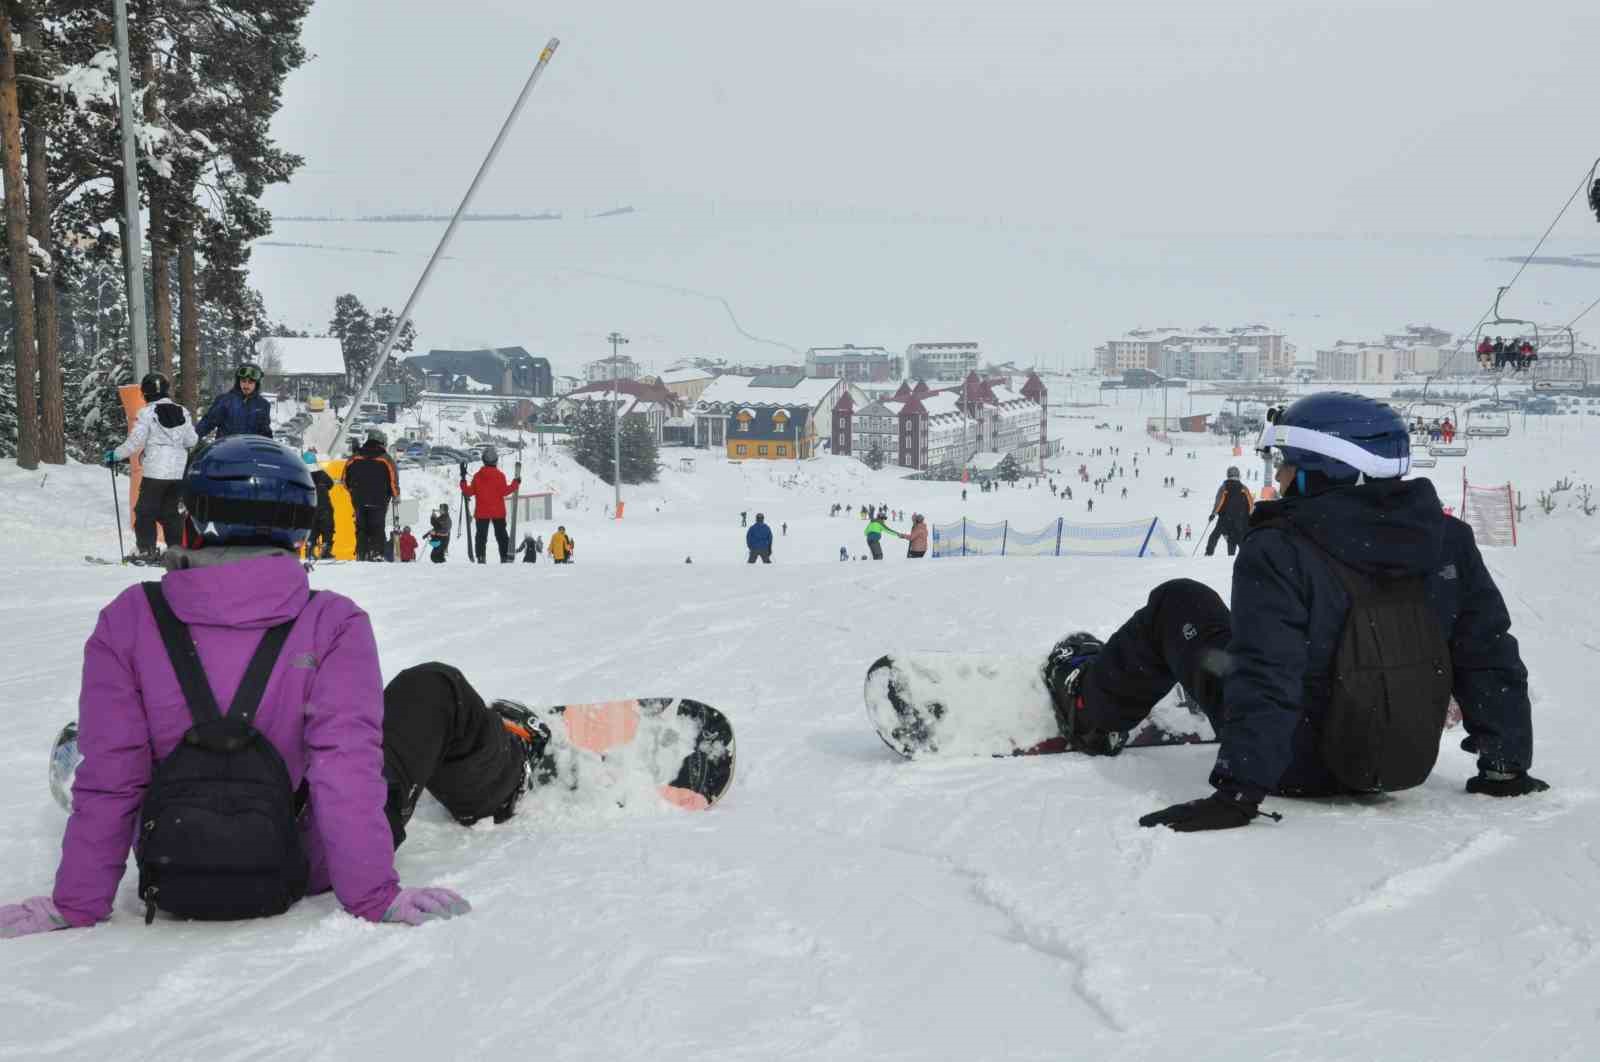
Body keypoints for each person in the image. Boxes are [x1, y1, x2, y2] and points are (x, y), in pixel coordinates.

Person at [0, 437, 478, 938]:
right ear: (299, 528)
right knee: (432, 688)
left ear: (194, 517)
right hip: (295, 861)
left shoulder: (128, 620)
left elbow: (112, 775)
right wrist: (374, 896)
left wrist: (75, 903)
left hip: (176, 857)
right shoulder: (334, 622)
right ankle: (513, 762)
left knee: (99, 740)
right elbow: (346, 768)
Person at [1039, 392, 1544, 834]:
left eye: (1286, 461)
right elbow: (1486, 653)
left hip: (1296, 766)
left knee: (1181, 600)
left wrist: (1239, 792)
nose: (1278, 475)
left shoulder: (1281, 547)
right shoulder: (1446, 539)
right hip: (1403, 757)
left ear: (1323, 470)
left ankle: (1091, 710)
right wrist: (1506, 765)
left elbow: (1266, 671)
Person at [104, 372, 197, 563]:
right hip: (178, 471)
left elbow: (135, 442)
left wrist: (116, 454)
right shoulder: (183, 411)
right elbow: (192, 439)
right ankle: (176, 552)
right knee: (170, 513)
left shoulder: (147, 413)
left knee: (145, 511)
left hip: (156, 469)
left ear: (145, 392)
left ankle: (146, 551)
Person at [343, 428, 399, 562]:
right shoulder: (386, 459)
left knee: (361, 527)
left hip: (359, 499)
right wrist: (396, 495)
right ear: (381, 442)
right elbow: (393, 479)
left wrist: (353, 490)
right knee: (377, 526)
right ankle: (376, 553)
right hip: (379, 500)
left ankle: (361, 553)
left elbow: (345, 479)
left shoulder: (354, 457)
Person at [460, 447, 520, 564]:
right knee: (501, 536)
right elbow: (505, 491)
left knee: (481, 537)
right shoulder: (500, 476)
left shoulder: (478, 476)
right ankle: (504, 556)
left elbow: (468, 492)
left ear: (483, 460)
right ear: (496, 460)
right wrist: (515, 483)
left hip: (482, 512)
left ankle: (481, 557)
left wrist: (463, 480)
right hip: (498, 512)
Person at [195, 363, 272, 441]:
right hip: (227, 450)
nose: (246, 385)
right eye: (243, 381)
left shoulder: (263, 405)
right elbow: (208, 422)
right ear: (238, 382)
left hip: (250, 451)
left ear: (256, 384)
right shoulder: (225, 401)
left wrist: (271, 448)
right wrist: (193, 438)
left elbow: (265, 433)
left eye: (250, 382)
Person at [1205, 466, 1255, 557]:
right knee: (1240, 538)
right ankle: (1247, 555)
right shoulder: (1243, 488)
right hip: (1241, 519)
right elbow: (1251, 503)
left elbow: (1219, 501)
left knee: (1215, 535)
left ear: (1228, 474)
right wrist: (1250, 515)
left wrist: (1213, 514)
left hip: (1225, 518)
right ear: (1238, 475)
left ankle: (1209, 553)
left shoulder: (1224, 487)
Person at [304, 452, 336, 560]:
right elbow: (331, 484)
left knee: (312, 529)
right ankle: (325, 550)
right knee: (328, 528)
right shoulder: (322, 474)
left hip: (309, 506)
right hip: (324, 505)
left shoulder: (302, 474)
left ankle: (309, 549)